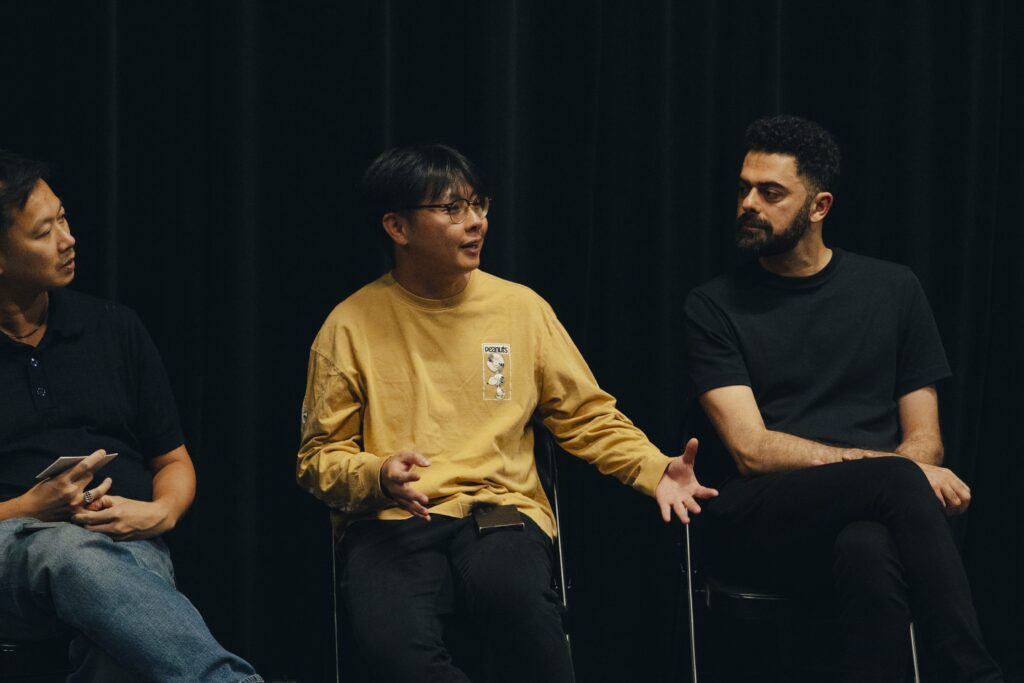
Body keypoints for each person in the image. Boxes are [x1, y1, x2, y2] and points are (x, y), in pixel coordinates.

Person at [296, 143, 717, 682]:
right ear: (397, 228)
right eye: (452, 209)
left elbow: (586, 417)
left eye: (480, 205)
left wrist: (654, 468)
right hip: (393, 519)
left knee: (524, 616)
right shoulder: (348, 325)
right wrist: (376, 474)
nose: (476, 224)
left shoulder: (521, 309)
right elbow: (317, 459)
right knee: (394, 651)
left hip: (500, 512)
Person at [683, 114, 1003, 682]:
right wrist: (894, 472)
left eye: (770, 192)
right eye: (744, 189)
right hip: (761, 516)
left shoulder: (895, 289)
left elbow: (925, 437)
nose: (749, 203)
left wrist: (899, 475)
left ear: (819, 206)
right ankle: (976, 675)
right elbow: (752, 450)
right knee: (898, 482)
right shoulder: (713, 306)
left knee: (868, 550)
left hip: (879, 517)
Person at [0, 149, 262, 683]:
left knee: (120, 649)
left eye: (65, 218)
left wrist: (160, 513)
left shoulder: (113, 328)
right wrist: (32, 505)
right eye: (44, 231)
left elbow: (174, 458)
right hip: (14, 551)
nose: (68, 239)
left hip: (127, 541)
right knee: (66, 547)